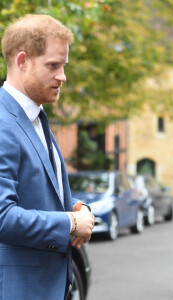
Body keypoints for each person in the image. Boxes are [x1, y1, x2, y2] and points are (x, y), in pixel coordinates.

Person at [0, 14, 95, 299]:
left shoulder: (37, 118)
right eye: (53, 65)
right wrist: (69, 224)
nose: (63, 76)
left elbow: (44, 195)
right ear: (22, 61)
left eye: (63, 66)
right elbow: (3, 216)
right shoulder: (3, 123)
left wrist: (77, 208)